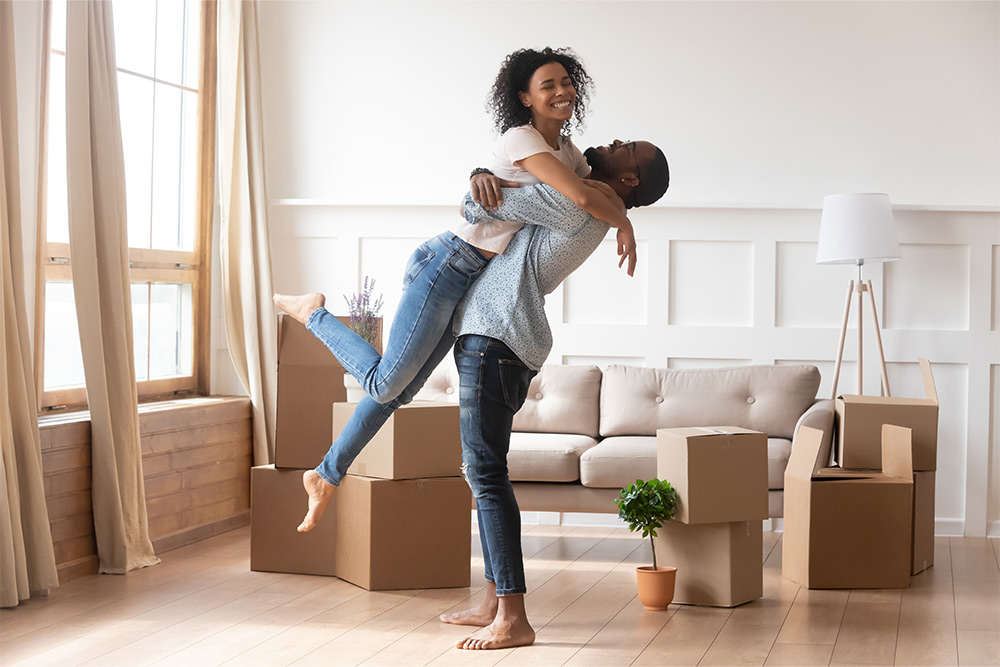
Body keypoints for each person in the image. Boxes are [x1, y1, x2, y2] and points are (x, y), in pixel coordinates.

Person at [274, 47, 641, 532]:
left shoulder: (568, 153)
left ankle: (325, 475)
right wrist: (625, 225)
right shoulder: (521, 137)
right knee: (386, 383)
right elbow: (576, 199)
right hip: (448, 263)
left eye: (565, 82)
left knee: (397, 394)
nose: (561, 92)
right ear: (525, 98)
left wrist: (611, 206)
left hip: (471, 281)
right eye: (547, 85)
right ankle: (313, 313)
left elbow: (590, 188)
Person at [442, 147, 669, 651]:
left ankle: (513, 617)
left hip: (497, 339)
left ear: (628, 178)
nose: (609, 143)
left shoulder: (581, 202)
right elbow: (500, 195)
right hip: (497, 338)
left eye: (623, 148)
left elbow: (480, 207)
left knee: (485, 475)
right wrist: (485, 176)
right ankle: (492, 602)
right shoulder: (589, 199)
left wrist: (481, 181)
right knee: (482, 471)